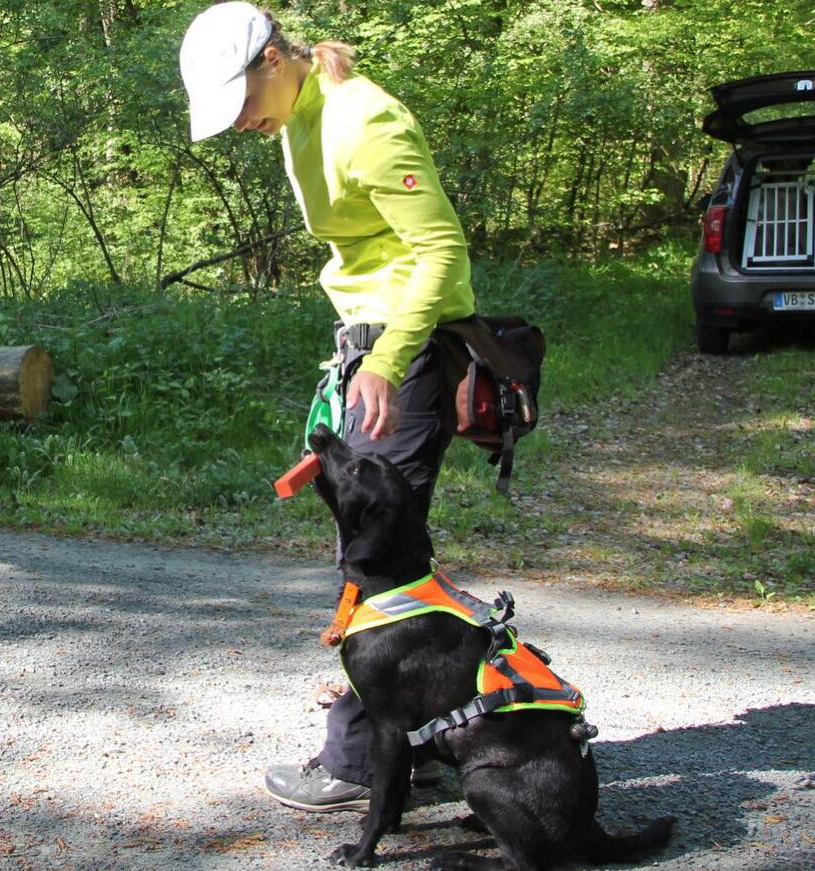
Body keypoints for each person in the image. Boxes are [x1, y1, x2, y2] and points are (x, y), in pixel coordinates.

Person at [180, 2, 475, 812]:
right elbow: (365, 246)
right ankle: (437, 734)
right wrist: (355, 350)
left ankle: (356, 761)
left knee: (377, 560)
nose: (240, 123)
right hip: (369, 345)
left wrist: (385, 358)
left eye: (241, 102)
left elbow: (442, 249)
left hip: (403, 354)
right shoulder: (299, 116)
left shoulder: (364, 119)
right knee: (395, 552)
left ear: (275, 57)